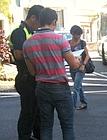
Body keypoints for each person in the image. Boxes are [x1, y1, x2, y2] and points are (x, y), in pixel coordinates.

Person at [23, 8, 80, 140]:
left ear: (40, 21)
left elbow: (32, 72)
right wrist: (78, 60)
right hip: (60, 87)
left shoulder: (28, 43)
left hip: (41, 87)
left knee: (46, 126)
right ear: (54, 21)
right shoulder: (60, 39)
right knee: (67, 126)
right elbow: (73, 64)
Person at [9, 5, 44, 140]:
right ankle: (24, 136)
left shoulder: (31, 32)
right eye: (39, 22)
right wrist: (39, 55)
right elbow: (18, 54)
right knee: (28, 112)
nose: (40, 25)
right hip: (25, 78)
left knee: (36, 111)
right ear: (33, 17)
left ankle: (37, 135)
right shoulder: (19, 32)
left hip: (33, 78)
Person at [69, 25, 89, 110]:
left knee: (76, 87)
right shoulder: (68, 43)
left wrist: (83, 64)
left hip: (81, 68)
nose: (78, 37)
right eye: (76, 34)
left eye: (79, 35)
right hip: (72, 67)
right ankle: (83, 102)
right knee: (79, 86)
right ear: (72, 34)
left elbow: (87, 55)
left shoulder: (82, 43)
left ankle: (72, 106)